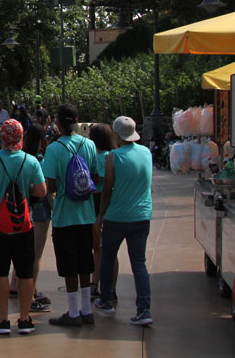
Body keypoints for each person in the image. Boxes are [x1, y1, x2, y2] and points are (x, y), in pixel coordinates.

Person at [0, 119, 47, 335]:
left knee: (0, 273)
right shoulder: (31, 161)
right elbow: (42, 192)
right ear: (20, 137)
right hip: (24, 224)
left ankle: (2, 319)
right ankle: (25, 319)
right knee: (25, 273)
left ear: (2, 137)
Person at [42, 104, 102, 328]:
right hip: (86, 215)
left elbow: (50, 184)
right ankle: (87, 310)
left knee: (69, 265)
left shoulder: (54, 149)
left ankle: (73, 312)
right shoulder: (89, 144)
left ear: (57, 122)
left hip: (65, 216)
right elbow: (95, 175)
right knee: (86, 262)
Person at [94, 116, 154, 325]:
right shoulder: (146, 153)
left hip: (117, 216)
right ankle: (144, 310)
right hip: (142, 215)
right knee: (139, 263)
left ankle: (106, 300)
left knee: (108, 257)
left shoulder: (113, 157)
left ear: (117, 135)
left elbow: (107, 190)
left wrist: (101, 216)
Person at [10, 122, 53, 313]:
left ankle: (14, 284)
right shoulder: (40, 161)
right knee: (35, 254)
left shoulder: (21, 158)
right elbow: (44, 191)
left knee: (20, 250)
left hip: (21, 209)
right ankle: (31, 291)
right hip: (40, 210)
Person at [88, 122, 117, 297]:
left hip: (97, 201)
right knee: (109, 249)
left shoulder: (100, 157)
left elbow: (99, 179)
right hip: (110, 203)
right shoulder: (112, 155)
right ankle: (111, 288)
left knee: (97, 248)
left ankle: (95, 283)